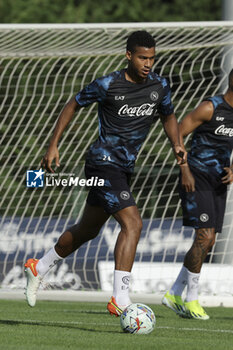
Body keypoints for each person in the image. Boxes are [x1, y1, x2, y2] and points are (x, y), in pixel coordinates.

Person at [24, 30, 186, 315]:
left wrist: (176, 144)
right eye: (142, 58)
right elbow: (72, 104)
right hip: (102, 162)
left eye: (152, 58)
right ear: (128, 56)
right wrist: (53, 146)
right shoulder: (107, 84)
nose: (148, 63)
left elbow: (168, 115)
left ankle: (39, 266)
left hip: (124, 168)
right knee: (133, 223)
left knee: (88, 230)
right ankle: (120, 300)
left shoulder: (159, 86)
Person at [162, 69, 233, 320]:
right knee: (204, 236)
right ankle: (191, 299)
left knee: (210, 241)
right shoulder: (209, 108)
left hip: (218, 183)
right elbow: (177, 134)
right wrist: (185, 170)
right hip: (196, 178)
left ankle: (174, 293)